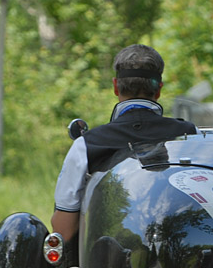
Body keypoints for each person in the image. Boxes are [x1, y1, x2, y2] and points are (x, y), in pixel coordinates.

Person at [51, 44, 198, 244]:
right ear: (159, 90)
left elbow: (64, 230)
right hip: (181, 250)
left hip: (106, 265)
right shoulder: (189, 135)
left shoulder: (87, 144)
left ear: (115, 86)